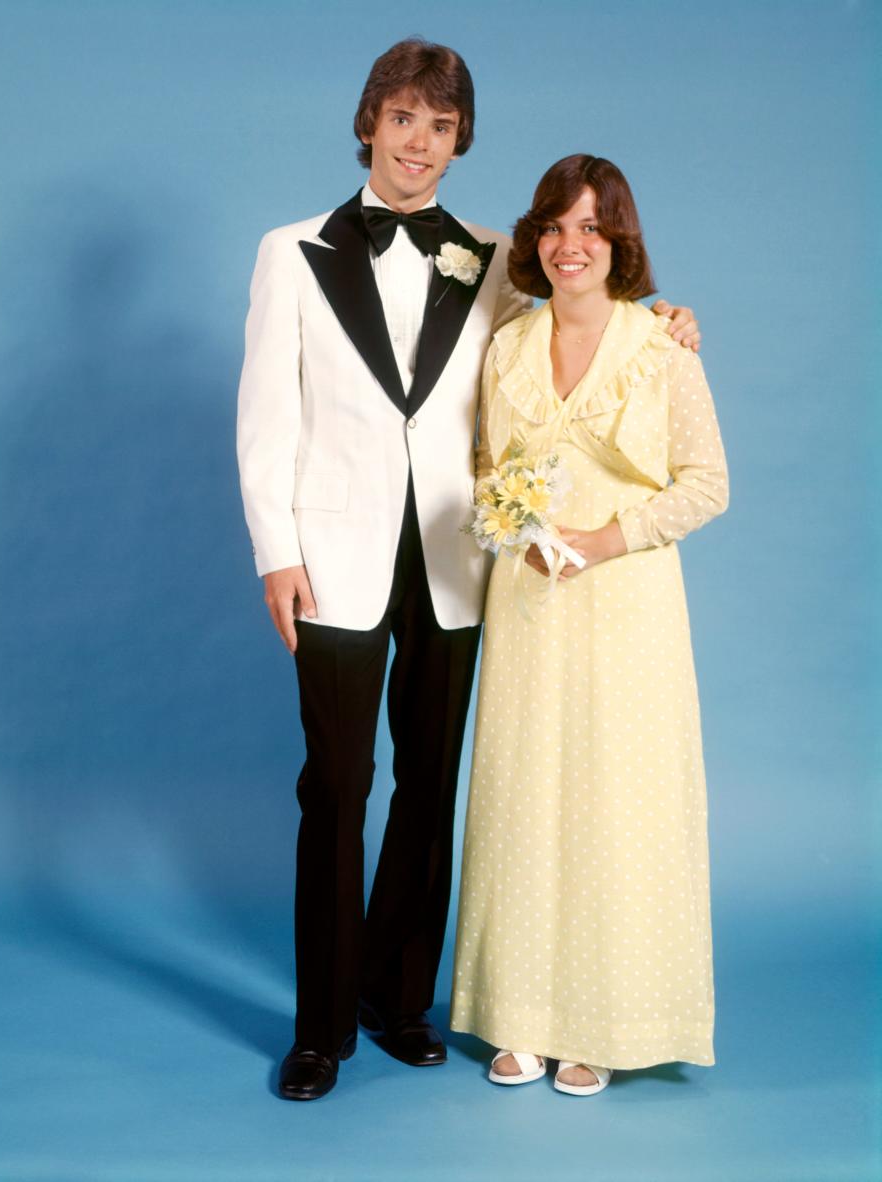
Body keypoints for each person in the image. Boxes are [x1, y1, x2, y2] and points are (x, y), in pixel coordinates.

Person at [237, 41, 700, 1102]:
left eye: (440, 127)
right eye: (402, 119)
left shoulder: (500, 253)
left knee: (431, 787)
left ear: (460, 141)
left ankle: (398, 1003)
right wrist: (278, 553)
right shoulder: (291, 250)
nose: (418, 143)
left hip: (462, 562)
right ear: (369, 125)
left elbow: (586, 314)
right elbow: (265, 421)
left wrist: (670, 317)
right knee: (338, 789)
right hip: (335, 561)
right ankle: (321, 1031)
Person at [450, 155, 728, 1096]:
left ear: (620, 244)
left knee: (616, 806)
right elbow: (486, 465)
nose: (572, 247)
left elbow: (708, 484)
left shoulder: (660, 347)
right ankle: (520, 1013)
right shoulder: (507, 346)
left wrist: (609, 538)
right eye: (556, 229)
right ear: (535, 241)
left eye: (591, 230)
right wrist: (515, 530)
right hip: (530, 603)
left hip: (627, 606)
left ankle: (602, 1024)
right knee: (526, 798)